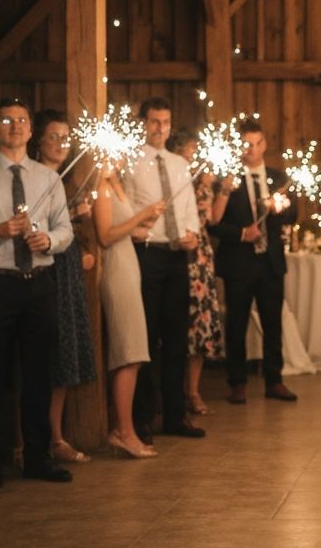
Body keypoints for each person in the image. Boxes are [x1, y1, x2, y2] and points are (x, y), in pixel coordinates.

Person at [0, 97, 74, 487]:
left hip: (38, 284)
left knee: (39, 374)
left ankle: (37, 457)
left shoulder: (49, 179)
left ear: (30, 130)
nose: (15, 126)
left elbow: (66, 229)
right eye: (7, 120)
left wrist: (49, 240)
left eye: (22, 120)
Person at [123, 96, 204, 442]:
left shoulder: (179, 164)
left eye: (165, 122)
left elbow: (188, 207)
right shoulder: (129, 162)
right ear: (143, 122)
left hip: (176, 255)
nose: (160, 129)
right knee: (147, 338)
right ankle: (143, 418)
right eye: (154, 122)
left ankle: (175, 415)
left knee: (175, 339)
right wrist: (137, 228)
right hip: (145, 253)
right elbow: (123, 207)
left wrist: (192, 235)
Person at [209, 118, 297, 404]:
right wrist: (240, 234)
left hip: (270, 262)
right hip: (239, 263)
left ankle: (275, 379)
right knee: (237, 324)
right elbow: (213, 224)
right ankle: (237, 382)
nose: (252, 150)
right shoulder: (227, 181)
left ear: (265, 144)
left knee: (273, 322)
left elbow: (292, 215)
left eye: (257, 143)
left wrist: (281, 209)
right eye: (247, 144)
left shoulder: (277, 178)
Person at [31, 110, 97, 463]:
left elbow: (74, 233)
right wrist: (70, 218)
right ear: (39, 141)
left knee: (65, 355)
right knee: (44, 355)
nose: (59, 143)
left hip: (68, 268)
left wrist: (84, 246)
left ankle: (57, 436)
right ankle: (38, 438)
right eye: (53, 136)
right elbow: (33, 222)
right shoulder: (31, 180)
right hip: (43, 271)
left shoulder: (68, 182)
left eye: (65, 138)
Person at [94, 163, 165, 459]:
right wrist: (142, 214)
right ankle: (123, 431)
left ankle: (126, 428)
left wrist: (141, 228)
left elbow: (122, 231)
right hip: (116, 271)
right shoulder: (100, 186)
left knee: (136, 351)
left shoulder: (115, 183)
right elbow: (106, 236)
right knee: (128, 351)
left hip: (129, 265)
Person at [168, 129, 222, 416]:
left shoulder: (202, 181)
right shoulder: (173, 182)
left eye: (193, 150)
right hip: (178, 252)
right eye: (187, 150)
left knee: (200, 323)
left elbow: (212, 218)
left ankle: (193, 391)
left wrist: (221, 189)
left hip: (200, 255)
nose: (191, 155)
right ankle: (174, 393)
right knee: (178, 324)